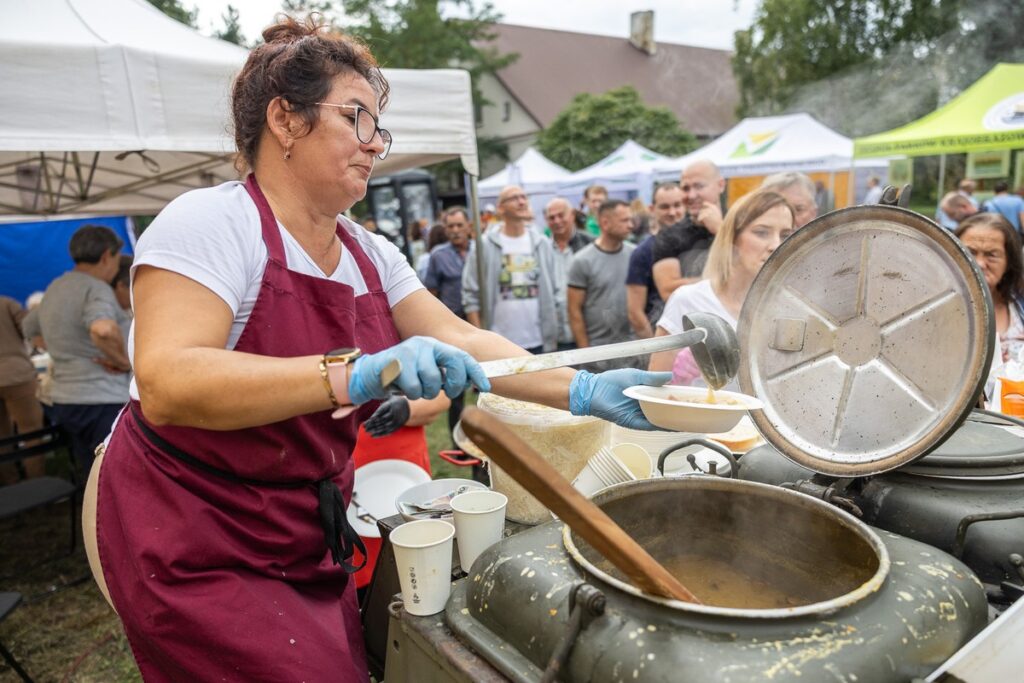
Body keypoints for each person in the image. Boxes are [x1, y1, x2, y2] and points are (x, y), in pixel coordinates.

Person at [82, 18, 668, 681]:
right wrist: (351, 373)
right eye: (356, 118)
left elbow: (465, 337)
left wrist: (583, 389)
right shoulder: (210, 223)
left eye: (378, 125)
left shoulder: (368, 249)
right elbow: (168, 379)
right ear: (284, 119)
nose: (375, 145)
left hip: (299, 523)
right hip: (194, 529)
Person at [649, 190, 795, 386]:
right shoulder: (688, 300)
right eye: (762, 232)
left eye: (786, 235)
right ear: (733, 237)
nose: (775, 245)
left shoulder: (789, 310)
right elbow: (654, 388)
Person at [22, 225, 130, 478]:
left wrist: (62, 348)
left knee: (89, 472)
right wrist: (123, 362)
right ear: (107, 256)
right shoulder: (96, 288)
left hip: (66, 398)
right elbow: (103, 329)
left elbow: (29, 325)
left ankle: (90, 516)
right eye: (115, 259)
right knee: (112, 473)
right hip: (101, 397)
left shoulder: (56, 287)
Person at [462, 184, 562, 353]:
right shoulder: (484, 245)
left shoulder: (542, 243)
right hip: (498, 343)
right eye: (514, 198)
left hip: (540, 341)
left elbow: (556, 289)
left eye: (524, 197)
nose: (522, 202)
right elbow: (470, 295)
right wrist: (480, 340)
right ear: (500, 208)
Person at [955, 213, 1024, 399]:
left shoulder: (1020, 307)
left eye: (991, 255)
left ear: (1009, 261)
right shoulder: (937, 312)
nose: (979, 263)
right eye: (970, 252)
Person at [567, 200, 637, 371]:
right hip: (598, 353)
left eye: (631, 220)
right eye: (624, 220)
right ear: (605, 223)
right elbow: (574, 310)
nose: (630, 225)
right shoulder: (582, 261)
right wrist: (587, 353)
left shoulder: (635, 254)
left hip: (633, 351)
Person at [424, 206, 472, 433]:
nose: (455, 230)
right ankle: (460, 441)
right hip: (453, 325)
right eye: (450, 226)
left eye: (459, 225)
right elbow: (430, 293)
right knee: (457, 385)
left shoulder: (480, 250)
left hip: (480, 323)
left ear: (469, 227)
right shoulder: (438, 256)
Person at [651, 159, 726, 300]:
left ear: (720, 185)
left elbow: (754, 274)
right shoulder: (669, 236)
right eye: (685, 188)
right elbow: (668, 291)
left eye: (699, 186)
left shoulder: (740, 225)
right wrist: (724, 280)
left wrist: (720, 230)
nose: (691, 195)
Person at [626, 182, 685, 340]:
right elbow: (635, 312)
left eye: (677, 205)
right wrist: (656, 349)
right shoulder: (642, 253)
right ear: (652, 209)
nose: (672, 212)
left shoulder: (698, 243)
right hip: (663, 340)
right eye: (665, 207)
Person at [0, 295, 45, 483]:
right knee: (31, 432)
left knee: (2, 438)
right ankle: (37, 487)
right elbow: (29, 329)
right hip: (15, 374)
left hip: (13, 373)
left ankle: (11, 488)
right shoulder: (6, 303)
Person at [545, 197, 593, 350]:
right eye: (552, 218)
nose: (557, 221)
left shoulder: (589, 244)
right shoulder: (542, 248)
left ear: (572, 215)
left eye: (561, 215)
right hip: (555, 336)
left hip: (586, 331)